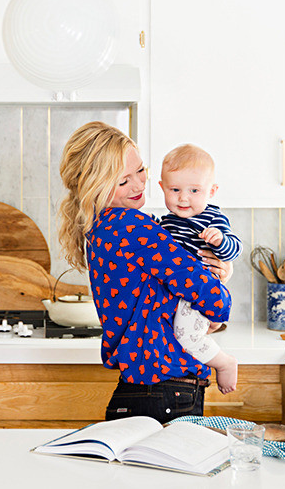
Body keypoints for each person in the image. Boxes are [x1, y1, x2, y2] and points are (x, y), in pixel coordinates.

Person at [58, 121, 232, 423]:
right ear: (94, 187)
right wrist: (221, 288)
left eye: (140, 171)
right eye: (123, 181)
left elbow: (162, 294)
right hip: (166, 389)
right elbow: (212, 297)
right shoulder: (130, 226)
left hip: (143, 389)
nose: (139, 186)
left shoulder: (101, 228)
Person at [157, 143, 241, 394]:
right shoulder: (168, 221)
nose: (183, 198)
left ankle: (225, 364)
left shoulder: (213, 218)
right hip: (183, 293)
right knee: (183, 335)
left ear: (212, 191)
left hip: (199, 292)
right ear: (162, 188)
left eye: (194, 190)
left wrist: (220, 241)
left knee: (186, 337)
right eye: (175, 189)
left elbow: (234, 249)